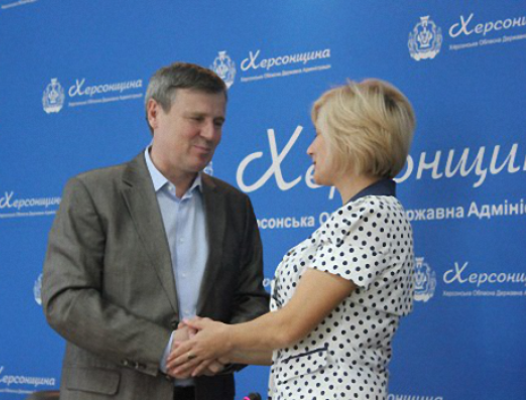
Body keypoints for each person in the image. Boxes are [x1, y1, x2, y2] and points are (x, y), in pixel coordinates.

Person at [168, 79, 416, 400]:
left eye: (319, 134)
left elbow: (288, 326)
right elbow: (298, 345)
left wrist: (221, 338)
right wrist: (215, 350)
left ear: (351, 139)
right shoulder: (360, 215)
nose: (310, 148)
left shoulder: (373, 213)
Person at [42, 62, 269, 400]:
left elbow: (250, 300)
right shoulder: (92, 192)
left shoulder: (236, 205)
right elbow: (66, 299)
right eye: (196, 119)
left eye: (218, 122)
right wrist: (164, 346)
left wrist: (222, 348)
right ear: (154, 113)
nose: (210, 134)